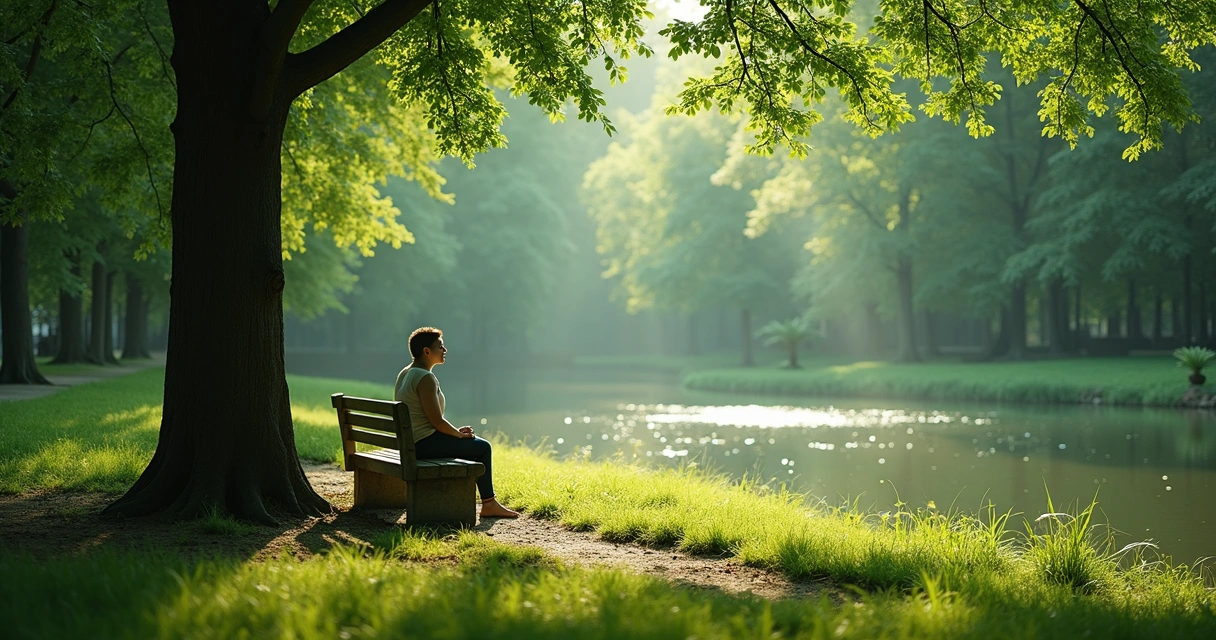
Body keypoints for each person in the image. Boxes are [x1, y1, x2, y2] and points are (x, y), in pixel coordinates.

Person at [394, 327, 519, 519]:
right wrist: (458, 435)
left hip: (413, 442)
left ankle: (489, 503)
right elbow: (436, 421)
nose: (445, 350)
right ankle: (489, 504)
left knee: (475, 444)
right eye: (440, 346)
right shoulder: (425, 378)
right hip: (421, 445)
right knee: (483, 447)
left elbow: (425, 419)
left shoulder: (406, 372)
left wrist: (453, 432)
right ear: (427, 351)